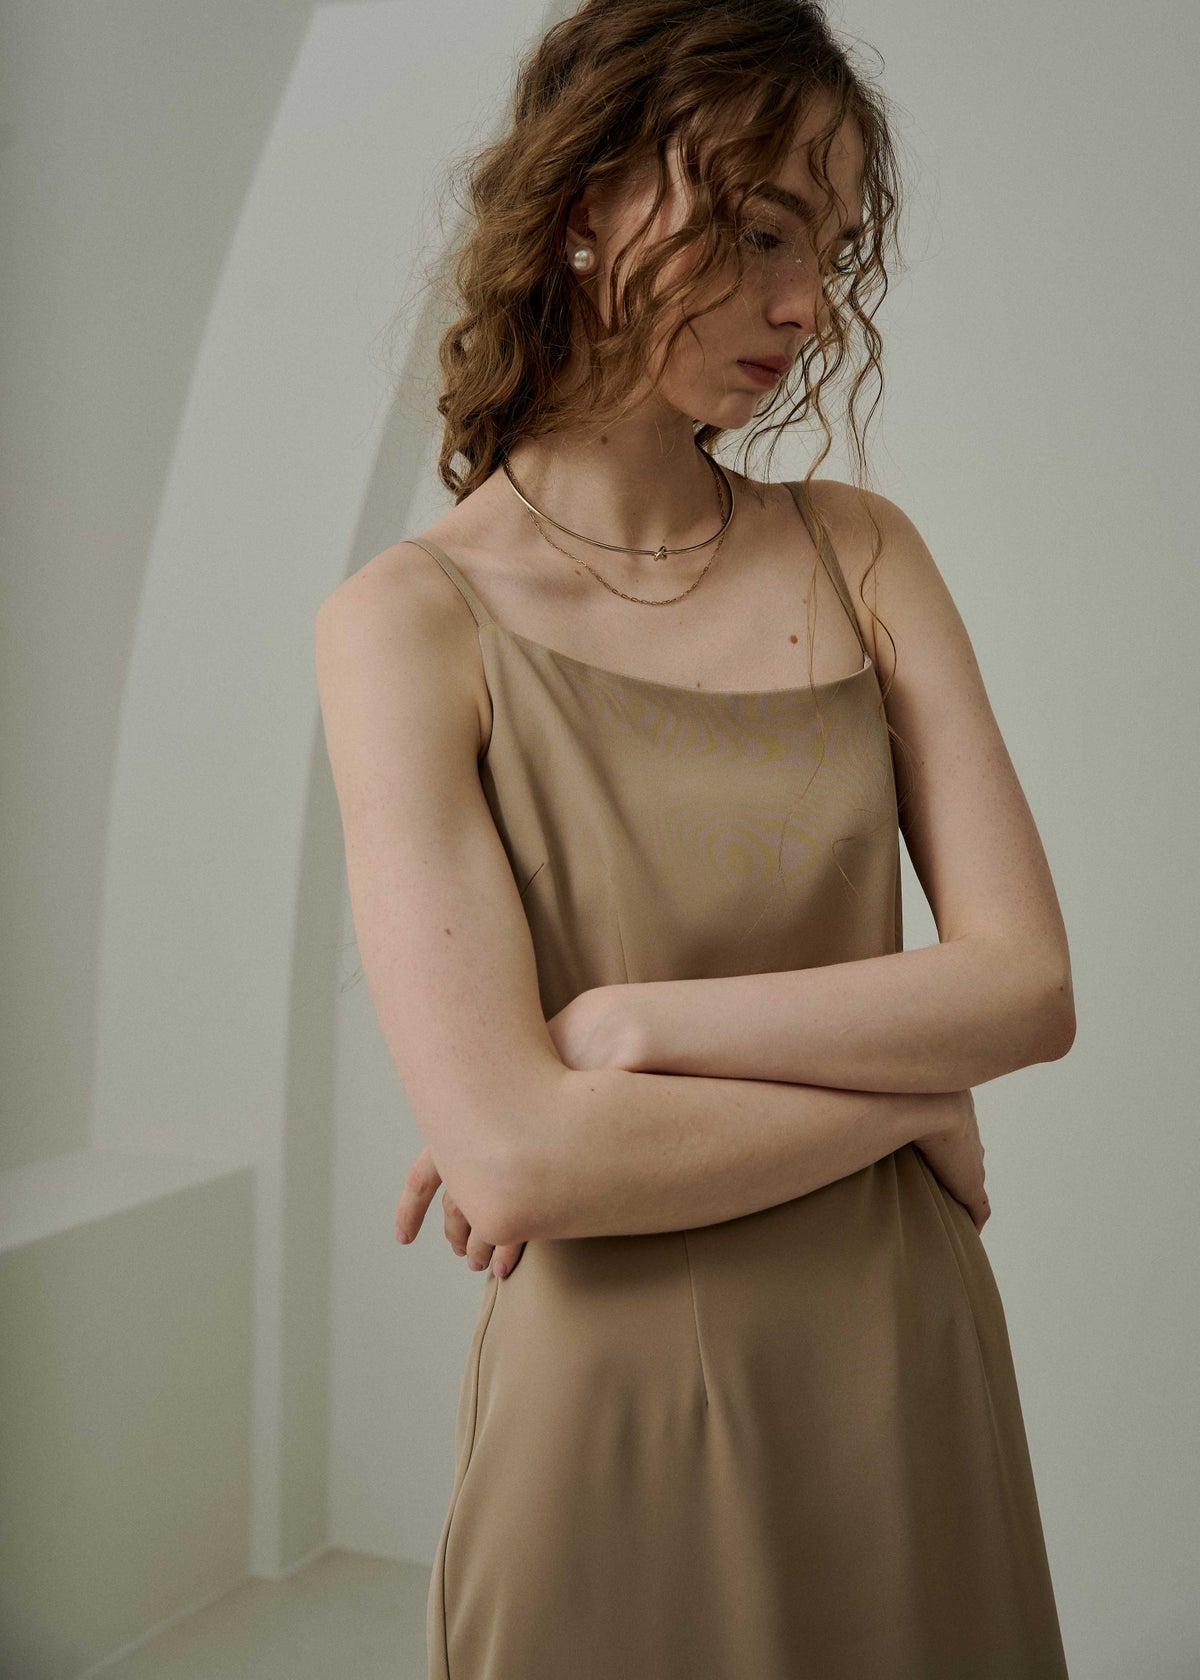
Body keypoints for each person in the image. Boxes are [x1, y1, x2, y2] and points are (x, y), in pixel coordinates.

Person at [315, 1, 1076, 1674]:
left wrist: (632, 1027)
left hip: (904, 1367)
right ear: (587, 200)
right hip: (614, 1404)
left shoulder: (862, 550)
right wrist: (907, 1097)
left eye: (831, 250)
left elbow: (1029, 990)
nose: (807, 306)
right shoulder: (406, 622)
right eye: (761, 230)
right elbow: (521, 1164)